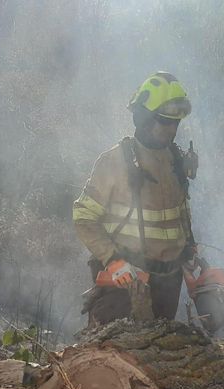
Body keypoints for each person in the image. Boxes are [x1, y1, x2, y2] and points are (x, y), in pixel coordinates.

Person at [73, 71, 198, 327]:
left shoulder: (175, 159)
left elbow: (180, 212)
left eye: (175, 122)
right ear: (143, 118)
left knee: (159, 346)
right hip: (125, 279)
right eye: (164, 121)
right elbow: (83, 218)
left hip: (168, 281)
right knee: (114, 348)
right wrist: (112, 260)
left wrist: (189, 249)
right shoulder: (115, 161)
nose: (172, 129)